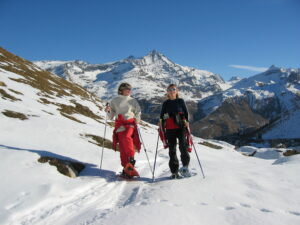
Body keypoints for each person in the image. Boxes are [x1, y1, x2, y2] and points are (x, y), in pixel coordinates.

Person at [105, 83, 141, 178]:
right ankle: (126, 167)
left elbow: (138, 111)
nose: (129, 90)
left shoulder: (133, 101)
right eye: (126, 88)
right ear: (121, 90)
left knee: (127, 137)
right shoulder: (115, 101)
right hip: (119, 125)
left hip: (130, 124)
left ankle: (131, 159)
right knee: (122, 145)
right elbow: (111, 115)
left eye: (130, 88)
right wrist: (108, 111)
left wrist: (137, 119)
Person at [159, 84, 191, 179]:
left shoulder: (180, 101)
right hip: (169, 128)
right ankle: (174, 172)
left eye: (173, 89)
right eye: (170, 89)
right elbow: (162, 116)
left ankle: (185, 166)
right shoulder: (165, 103)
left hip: (181, 127)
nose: (172, 91)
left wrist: (187, 122)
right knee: (172, 150)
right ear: (167, 92)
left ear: (177, 91)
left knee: (183, 146)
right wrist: (162, 121)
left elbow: (185, 113)